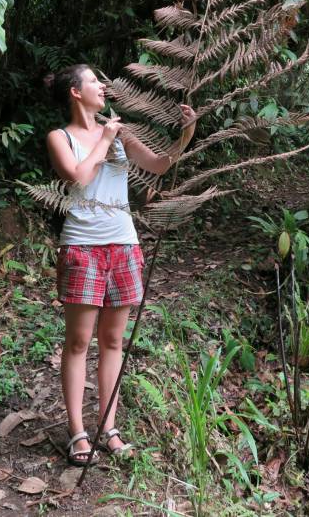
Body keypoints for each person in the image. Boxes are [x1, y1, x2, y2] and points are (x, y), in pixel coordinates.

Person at [45, 64, 196, 466]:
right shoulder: (60, 137)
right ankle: (77, 432)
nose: (103, 86)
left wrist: (186, 133)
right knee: (78, 343)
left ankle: (107, 427)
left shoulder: (120, 135)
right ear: (76, 93)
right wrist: (106, 136)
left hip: (124, 246)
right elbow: (77, 177)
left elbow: (161, 165)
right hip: (82, 248)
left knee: (113, 342)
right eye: (94, 81)